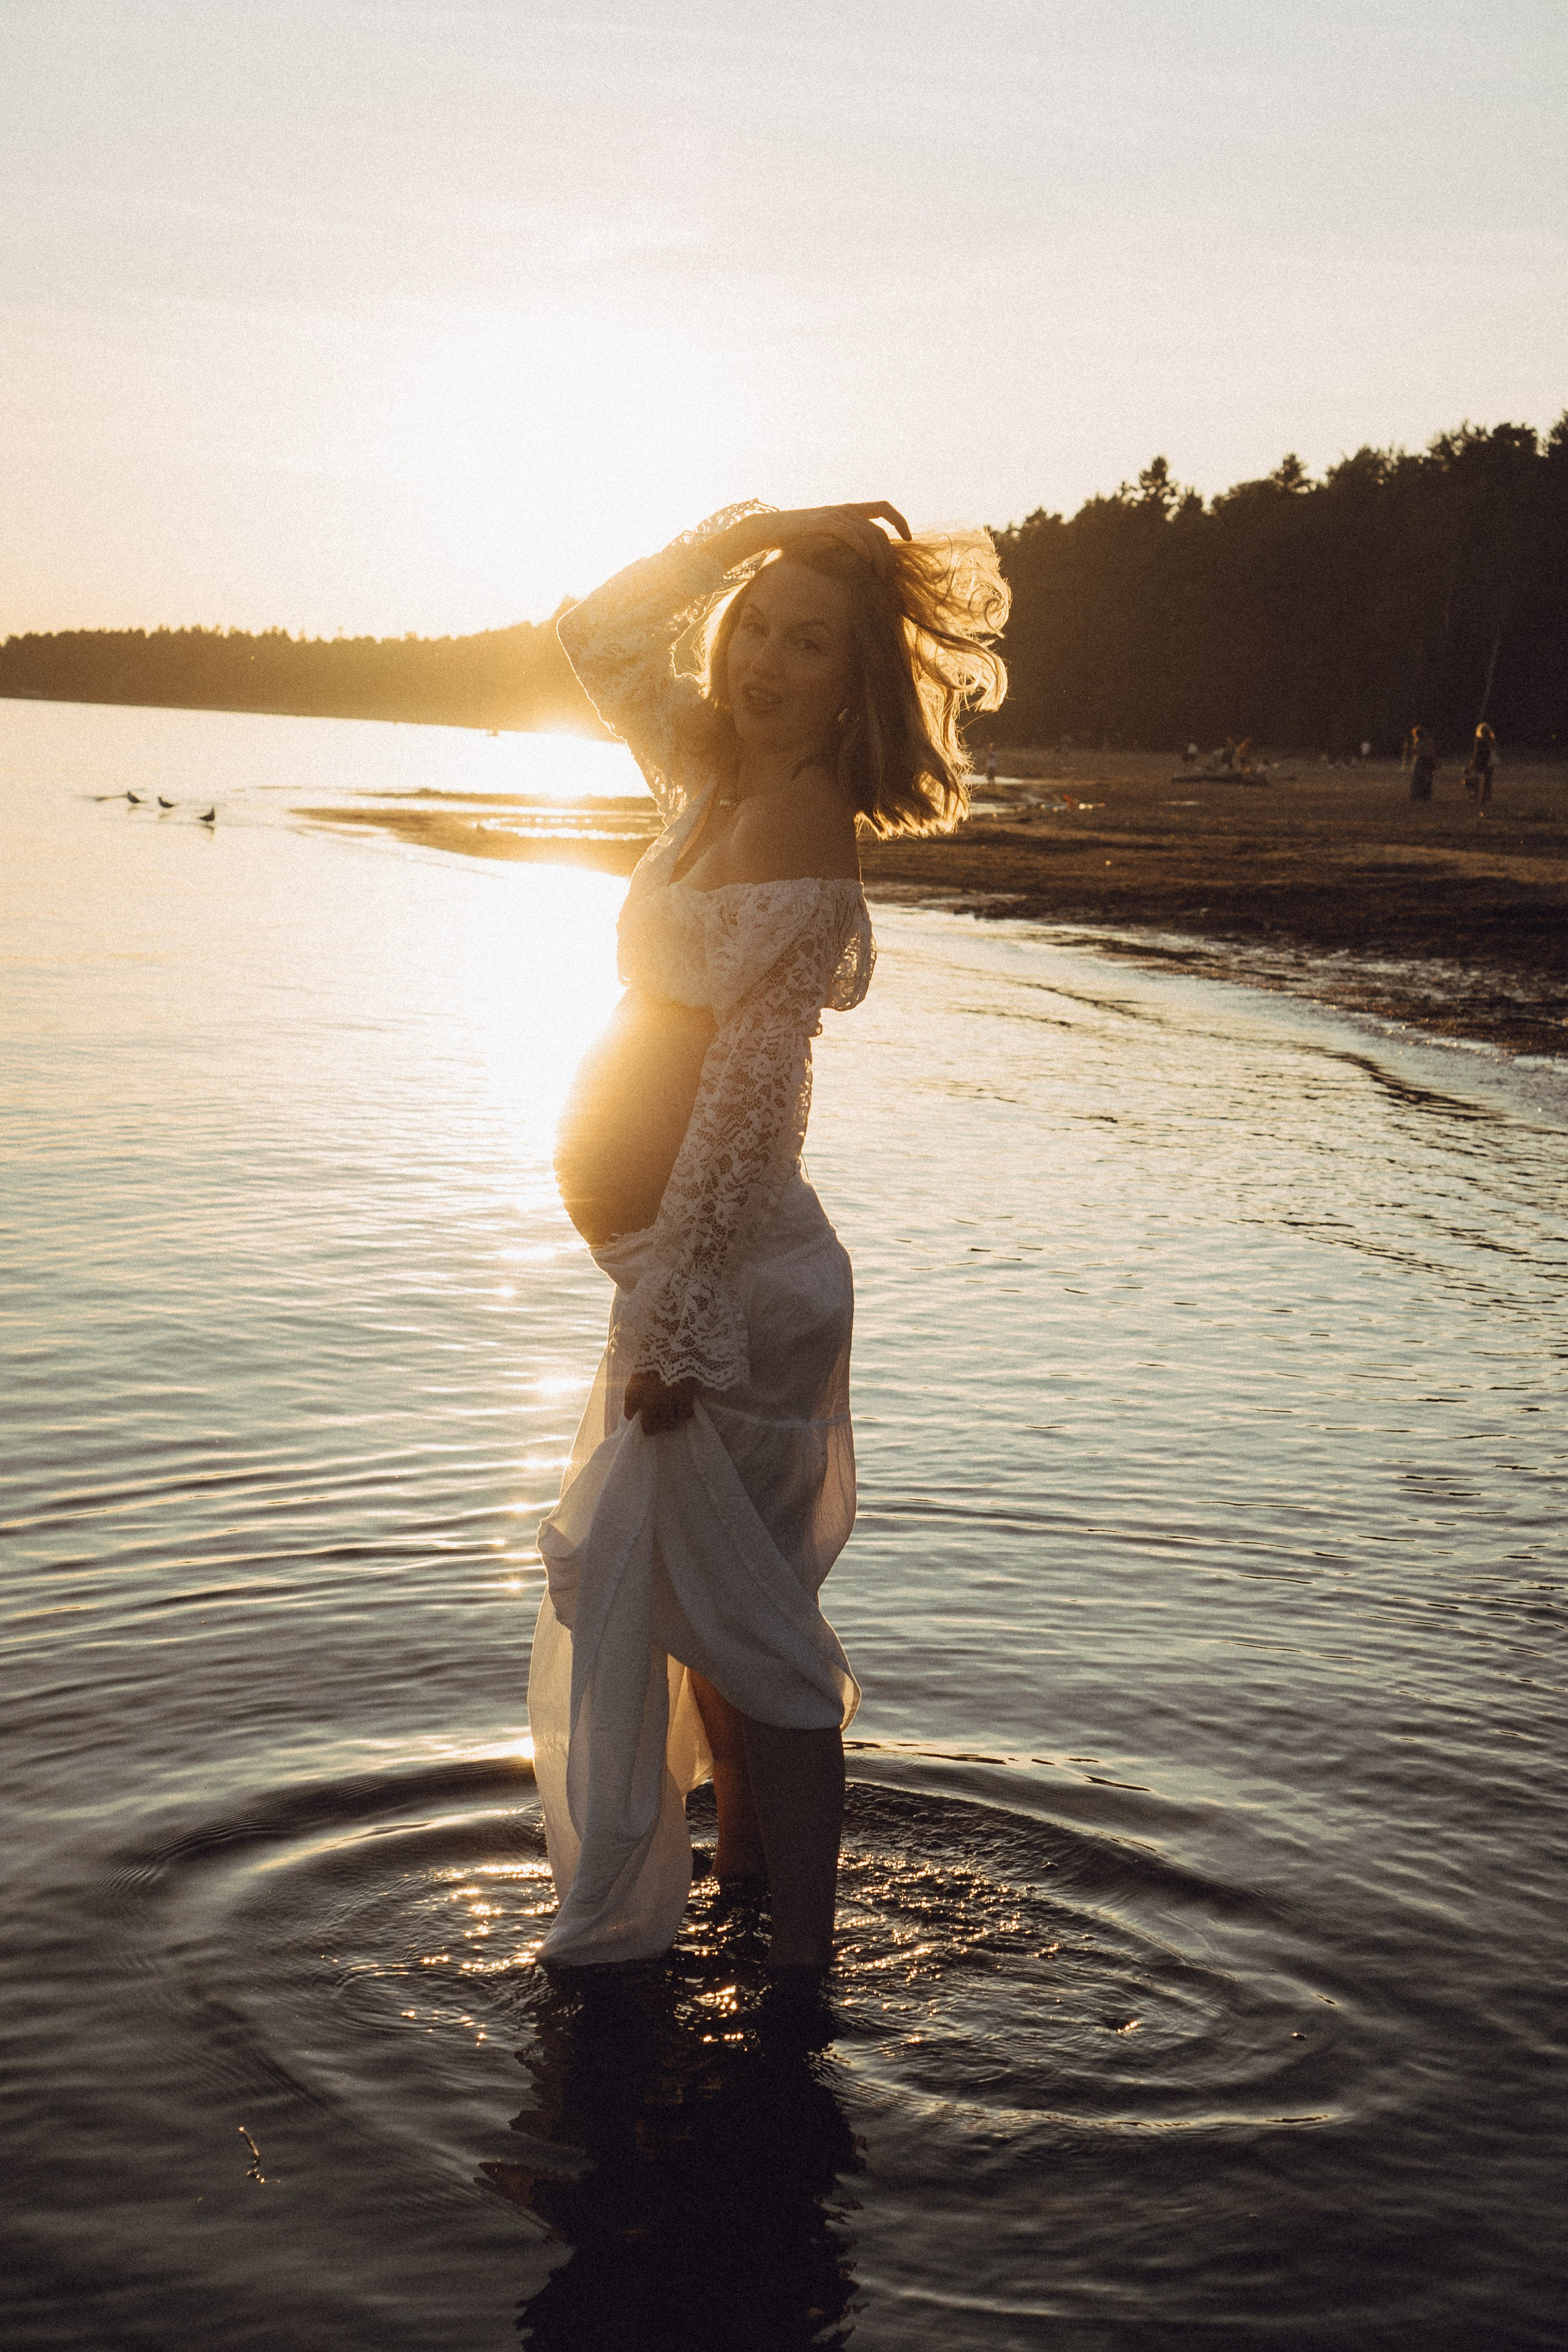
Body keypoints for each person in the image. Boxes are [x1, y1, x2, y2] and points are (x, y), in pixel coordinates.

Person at [530, 501, 1008, 1992]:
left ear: (854, 681)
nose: (764, 662)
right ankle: (743, 1891)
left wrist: (679, 1326)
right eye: (754, 626)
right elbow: (596, 633)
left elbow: (753, 1089)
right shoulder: (710, 771)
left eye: (809, 644)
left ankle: (799, 1982)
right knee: (706, 1613)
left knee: (753, 1635)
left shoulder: (798, 817)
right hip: (678, 1267)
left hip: (727, 1286)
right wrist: (750, 533)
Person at [1464, 722, 1497, 816]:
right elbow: (1494, 751)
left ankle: (1477, 795)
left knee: (1477, 779)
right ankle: (1486, 796)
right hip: (1488, 762)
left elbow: (1476, 753)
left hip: (1481, 761)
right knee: (1487, 780)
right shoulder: (1491, 741)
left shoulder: (1479, 741)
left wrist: (1473, 762)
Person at [1409, 725, 1438, 802]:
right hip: (1425, 761)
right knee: (1425, 779)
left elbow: (1415, 752)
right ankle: (1425, 796)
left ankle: (1419, 795)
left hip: (1422, 761)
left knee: (1420, 779)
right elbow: (1431, 752)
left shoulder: (1419, 742)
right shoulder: (1426, 741)